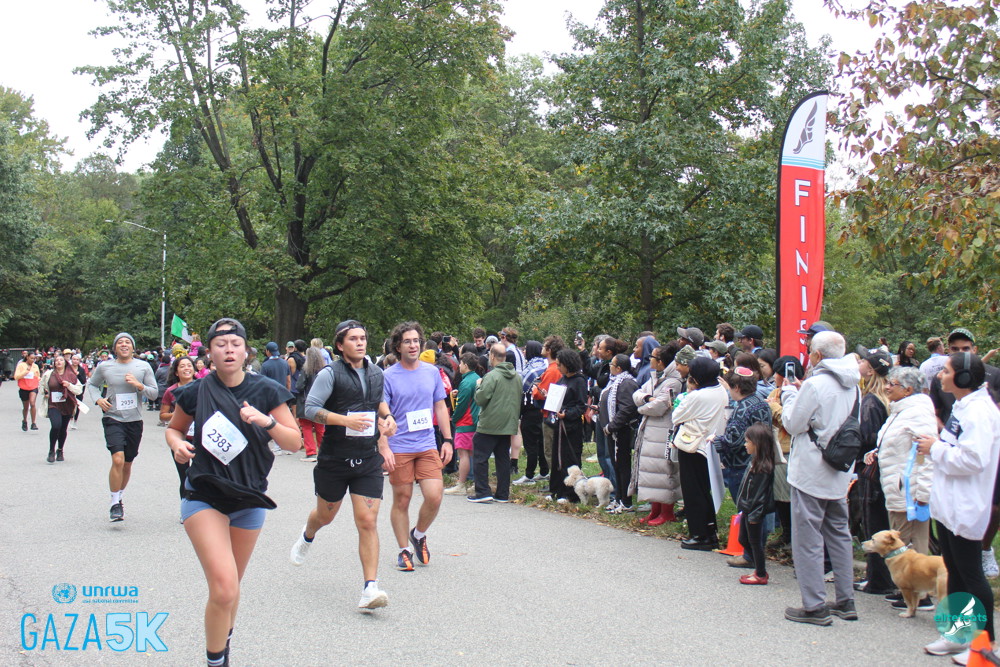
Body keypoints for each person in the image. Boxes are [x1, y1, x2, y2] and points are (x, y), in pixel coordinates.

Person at [166, 318, 300, 667]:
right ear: (209, 353)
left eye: (235, 344)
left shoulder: (267, 391)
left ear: (246, 351)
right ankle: (216, 661)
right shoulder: (195, 391)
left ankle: (223, 643)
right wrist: (177, 445)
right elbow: (174, 429)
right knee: (224, 587)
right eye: (220, 344)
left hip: (249, 499)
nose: (228, 350)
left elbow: (294, 442)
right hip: (204, 497)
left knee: (231, 588)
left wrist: (267, 421)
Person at [288, 320, 396, 610]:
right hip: (335, 459)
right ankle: (308, 535)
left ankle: (370, 588)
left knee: (368, 521)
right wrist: (344, 420)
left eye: (363, 338)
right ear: (339, 345)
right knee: (325, 516)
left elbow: (378, 401)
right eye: (353, 339)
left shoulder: (376, 372)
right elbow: (310, 408)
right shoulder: (329, 373)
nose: (360, 343)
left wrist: (387, 418)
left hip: (367, 458)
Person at [916, 352, 1000, 662]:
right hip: (948, 505)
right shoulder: (963, 406)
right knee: (955, 572)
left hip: (966, 507)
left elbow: (973, 460)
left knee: (971, 575)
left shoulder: (980, 412)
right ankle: (958, 635)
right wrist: (937, 444)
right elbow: (956, 446)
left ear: (964, 378)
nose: (940, 375)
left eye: (947, 371)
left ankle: (986, 646)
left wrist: (935, 448)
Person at [780, 330, 860, 625]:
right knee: (839, 533)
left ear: (817, 355)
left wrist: (790, 395)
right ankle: (845, 599)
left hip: (812, 470)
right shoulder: (854, 384)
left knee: (808, 537)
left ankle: (814, 605)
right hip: (839, 469)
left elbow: (793, 423)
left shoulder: (814, 384)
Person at [860, 365, 936, 605]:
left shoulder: (918, 413)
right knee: (903, 539)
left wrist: (923, 493)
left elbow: (926, 455)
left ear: (908, 389)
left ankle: (920, 594)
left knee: (911, 541)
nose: (886, 387)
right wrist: (875, 453)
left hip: (909, 490)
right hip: (896, 486)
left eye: (892, 384)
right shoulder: (900, 411)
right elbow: (894, 445)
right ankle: (909, 589)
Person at [383, 322, 453, 572]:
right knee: (402, 499)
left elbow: (440, 406)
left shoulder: (432, 372)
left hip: (426, 443)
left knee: (434, 495)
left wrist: (448, 440)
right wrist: (384, 447)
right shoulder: (388, 376)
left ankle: (419, 534)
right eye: (407, 342)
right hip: (400, 445)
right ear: (398, 346)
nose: (412, 346)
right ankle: (404, 550)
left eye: (416, 341)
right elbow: (382, 414)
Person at [86, 333, 159, 522]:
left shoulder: (143, 366)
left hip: (134, 420)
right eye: (120, 342)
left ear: (133, 347)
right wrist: (98, 399)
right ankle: (114, 503)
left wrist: (139, 385)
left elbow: (154, 394)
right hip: (113, 417)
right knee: (117, 459)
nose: (124, 345)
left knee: (127, 463)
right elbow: (92, 384)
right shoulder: (105, 366)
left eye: (128, 342)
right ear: (115, 348)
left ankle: (119, 497)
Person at [673, 356, 729, 550]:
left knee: (692, 491)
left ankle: (699, 534)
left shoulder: (697, 396)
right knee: (704, 490)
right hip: (711, 446)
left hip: (693, 446)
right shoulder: (721, 390)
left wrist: (689, 392)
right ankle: (710, 531)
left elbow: (676, 415)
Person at [630, 342, 683, 526]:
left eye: (652, 357)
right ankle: (655, 510)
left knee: (664, 471)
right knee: (652, 473)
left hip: (663, 431)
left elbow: (659, 407)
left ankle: (667, 512)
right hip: (650, 431)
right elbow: (637, 394)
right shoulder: (653, 378)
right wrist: (646, 398)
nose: (649, 359)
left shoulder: (674, 382)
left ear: (660, 362)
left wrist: (641, 408)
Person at [468, 343, 522, 503]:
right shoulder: (517, 377)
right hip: (508, 423)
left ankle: (482, 491)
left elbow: (480, 399)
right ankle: (502, 493)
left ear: (492, 356)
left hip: (490, 423)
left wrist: (478, 387)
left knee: (480, 456)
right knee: (503, 457)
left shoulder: (491, 376)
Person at [767, 356, 802, 550]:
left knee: (788, 497)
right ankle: (785, 533)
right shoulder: (775, 392)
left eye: (777, 373)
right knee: (778, 496)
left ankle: (792, 537)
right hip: (776, 446)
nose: (775, 376)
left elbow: (789, 421)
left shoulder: (800, 391)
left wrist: (773, 406)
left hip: (790, 449)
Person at [737, 422, 777, 585]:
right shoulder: (754, 461)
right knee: (743, 539)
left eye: (748, 442)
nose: (745, 444)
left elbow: (760, 496)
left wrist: (754, 515)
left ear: (757, 444)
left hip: (754, 512)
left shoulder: (763, 468)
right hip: (747, 508)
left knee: (755, 542)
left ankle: (760, 573)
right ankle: (758, 567)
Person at [547, 349, 589, 504]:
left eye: (560, 365)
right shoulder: (562, 379)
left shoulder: (579, 381)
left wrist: (567, 414)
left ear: (568, 364)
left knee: (570, 459)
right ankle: (556, 490)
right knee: (557, 458)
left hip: (572, 427)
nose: (558, 367)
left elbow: (581, 406)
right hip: (559, 425)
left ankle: (571, 493)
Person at [600, 353, 640, 513]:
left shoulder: (627, 383)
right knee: (617, 466)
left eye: (612, 364)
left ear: (618, 368)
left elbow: (627, 408)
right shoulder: (615, 381)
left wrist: (612, 426)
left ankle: (626, 501)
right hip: (612, 431)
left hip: (620, 431)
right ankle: (618, 499)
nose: (609, 367)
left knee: (623, 466)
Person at [160, 356, 197, 501]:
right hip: (181, 439)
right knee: (185, 476)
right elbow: (163, 415)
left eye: (189, 365)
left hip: (201, 439)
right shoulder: (171, 391)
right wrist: (178, 414)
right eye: (182, 366)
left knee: (201, 476)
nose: (186, 368)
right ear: (176, 372)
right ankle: (186, 505)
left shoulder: (203, 387)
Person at [446, 352, 482, 495]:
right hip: (475, 420)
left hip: (465, 422)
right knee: (473, 454)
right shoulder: (476, 378)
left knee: (463, 454)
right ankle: (476, 483)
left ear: (465, 365)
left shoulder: (466, 382)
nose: (459, 366)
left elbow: (461, 405)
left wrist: (454, 418)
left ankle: (461, 484)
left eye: (460, 363)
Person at [514, 340, 549, 486]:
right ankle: (544, 471)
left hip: (530, 409)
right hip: (542, 409)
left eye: (526, 349)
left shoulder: (531, 369)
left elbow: (522, 389)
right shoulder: (545, 366)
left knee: (530, 444)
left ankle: (529, 475)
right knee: (541, 442)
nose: (524, 352)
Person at [41, 354, 83, 463]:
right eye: (56, 360)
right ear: (54, 363)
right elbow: (41, 386)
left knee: (63, 428)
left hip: (67, 405)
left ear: (65, 363)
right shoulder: (49, 374)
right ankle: (51, 450)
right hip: (53, 404)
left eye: (61, 360)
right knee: (56, 426)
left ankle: (60, 450)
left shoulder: (71, 375)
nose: (59, 362)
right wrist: (45, 392)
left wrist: (69, 385)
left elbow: (79, 390)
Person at [296, 347, 328, 463]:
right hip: (321, 402)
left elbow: (299, 386)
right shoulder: (325, 370)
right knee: (320, 428)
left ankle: (311, 452)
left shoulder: (306, 370)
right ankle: (324, 451)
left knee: (306, 427)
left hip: (306, 402)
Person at [15, 351, 41, 431]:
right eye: (31, 358)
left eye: (34, 359)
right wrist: (25, 372)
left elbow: (38, 376)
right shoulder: (21, 365)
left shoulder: (35, 366)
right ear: (27, 357)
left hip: (33, 387)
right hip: (24, 387)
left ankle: (33, 423)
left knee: (32, 403)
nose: (33, 360)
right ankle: (24, 420)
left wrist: (39, 381)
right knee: (26, 407)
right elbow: (16, 376)